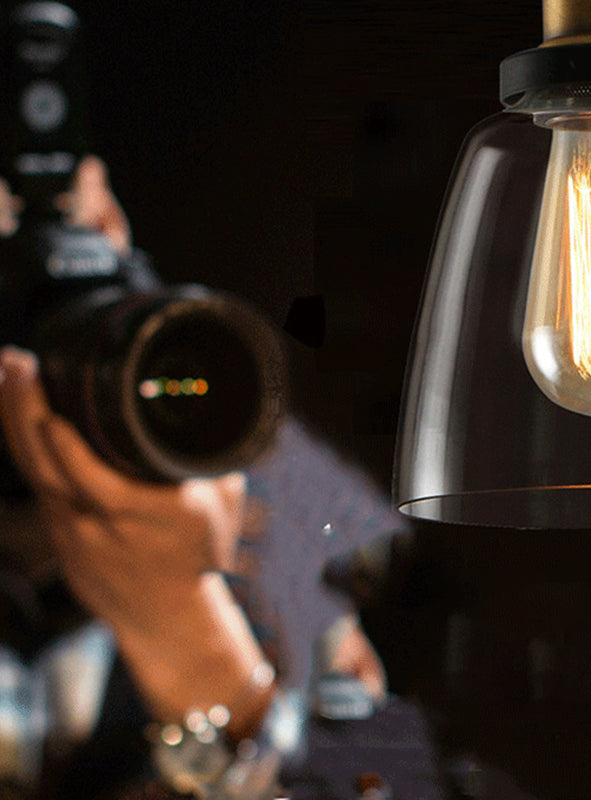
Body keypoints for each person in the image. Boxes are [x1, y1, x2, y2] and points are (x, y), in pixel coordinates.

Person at [0, 157, 427, 799]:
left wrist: (185, 630)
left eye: (64, 240)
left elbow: (378, 778)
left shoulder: (279, 511)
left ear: (109, 225)